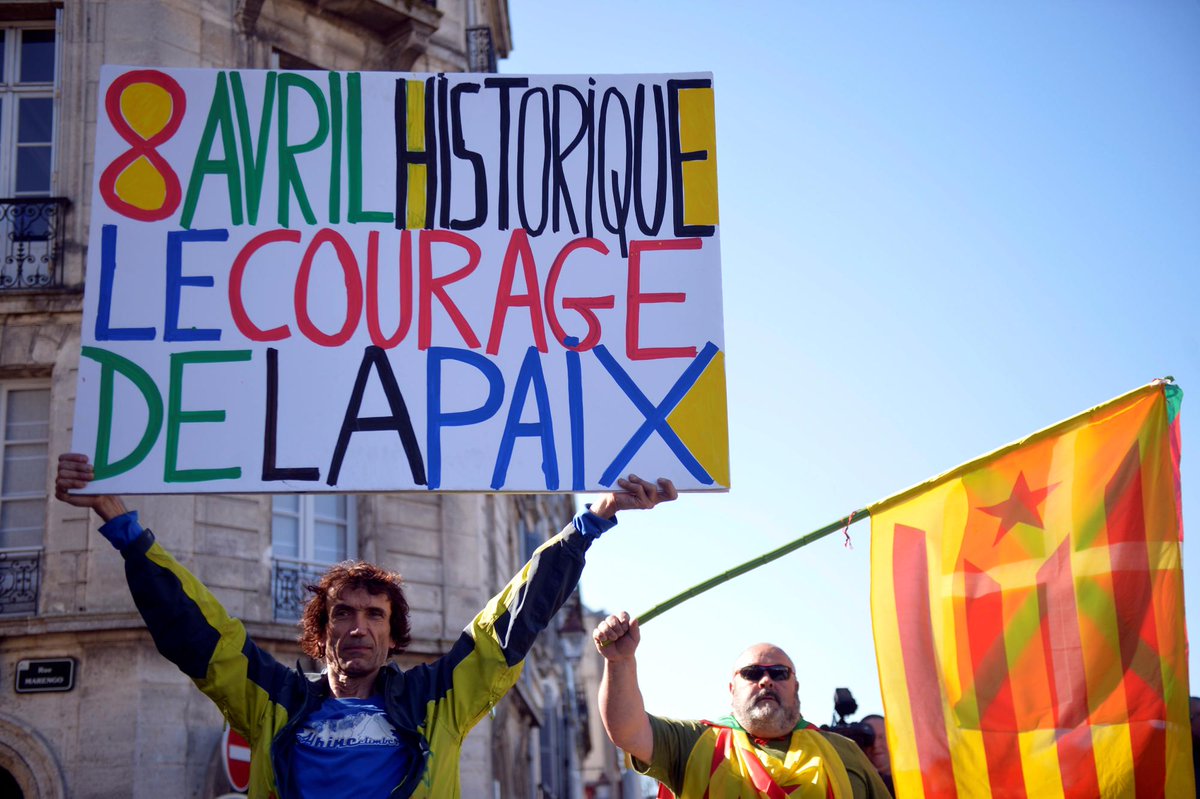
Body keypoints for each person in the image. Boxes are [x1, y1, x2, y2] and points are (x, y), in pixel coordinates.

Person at [55, 453, 676, 799]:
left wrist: (593, 520)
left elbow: (510, 620)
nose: (358, 626)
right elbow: (196, 631)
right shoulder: (276, 700)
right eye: (343, 613)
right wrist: (122, 526)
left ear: (392, 633)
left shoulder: (439, 699)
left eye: (374, 615)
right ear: (320, 633)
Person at [593, 613, 890, 799]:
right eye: (752, 673)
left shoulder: (844, 752)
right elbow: (627, 731)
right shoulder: (695, 742)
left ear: (795, 686)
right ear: (732, 688)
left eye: (778, 673)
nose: (766, 681)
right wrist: (619, 662)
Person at [860, 714, 893, 796]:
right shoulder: (856, 784)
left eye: (881, 737)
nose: (875, 744)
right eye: (869, 739)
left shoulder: (914, 781)